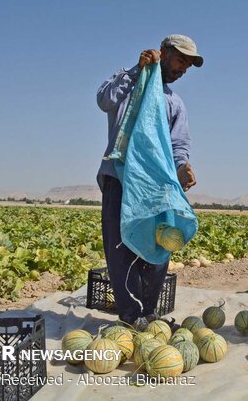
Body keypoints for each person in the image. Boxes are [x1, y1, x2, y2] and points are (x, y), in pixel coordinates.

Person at [96, 34, 203, 327]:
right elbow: (104, 100)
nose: (183, 69)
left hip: (156, 187)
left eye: (188, 66)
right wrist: (135, 71)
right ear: (164, 52)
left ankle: (149, 313)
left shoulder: (174, 102)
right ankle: (130, 317)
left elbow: (179, 145)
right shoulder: (129, 84)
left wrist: (183, 167)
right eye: (181, 60)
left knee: (159, 246)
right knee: (120, 250)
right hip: (119, 177)